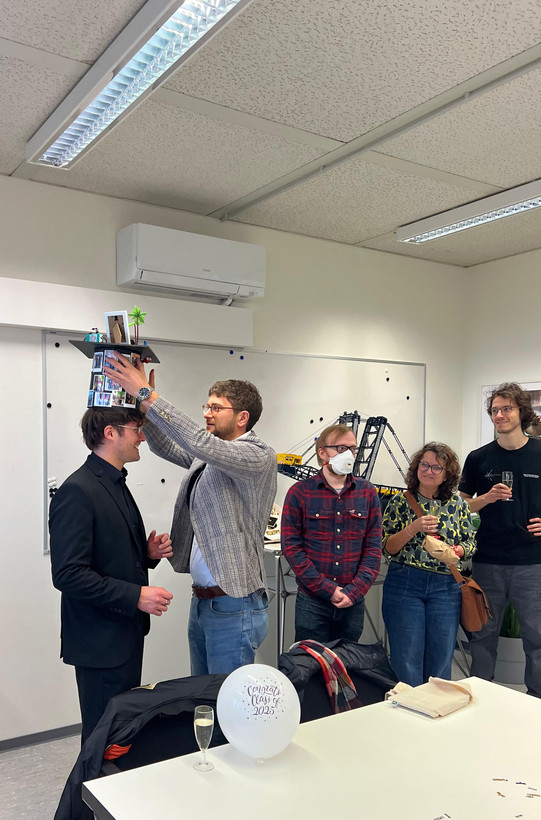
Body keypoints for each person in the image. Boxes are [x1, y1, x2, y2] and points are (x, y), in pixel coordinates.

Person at [102, 354, 277, 676]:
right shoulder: (211, 457)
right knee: (202, 693)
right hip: (205, 602)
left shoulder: (256, 455)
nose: (207, 414)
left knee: (226, 701)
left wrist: (147, 395)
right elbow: (170, 447)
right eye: (206, 406)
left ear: (242, 418)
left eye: (216, 408)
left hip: (234, 603)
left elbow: (198, 443)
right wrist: (145, 410)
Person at [49, 408, 174, 743]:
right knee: (102, 737)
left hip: (123, 635)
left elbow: (106, 556)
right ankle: (88, 796)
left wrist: (147, 555)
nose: (143, 437)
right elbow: (68, 574)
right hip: (99, 641)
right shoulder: (78, 490)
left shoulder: (115, 482)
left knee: (118, 733)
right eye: (137, 429)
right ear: (110, 433)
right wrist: (136, 596)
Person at [459, 382, 541, 697]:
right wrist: (487, 498)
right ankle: (481, 696)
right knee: (482, 634)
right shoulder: (479, 458)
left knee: (537, 638)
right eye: (494, 410)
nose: (499, 415)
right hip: (488, 561)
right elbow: (460, 505)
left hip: (532, 563)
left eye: (506, 408)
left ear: (521, 411)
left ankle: (536, 701)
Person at [382, 442, 475, 686]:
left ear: (447, 474)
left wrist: (457, 550)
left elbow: (471, 543)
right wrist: (413, 528)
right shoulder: (400, 502)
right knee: (406, 656)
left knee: (442, 657)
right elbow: (388, 547)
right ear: (416, 468)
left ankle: (436, 711)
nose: (429, 471)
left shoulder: (458, 505)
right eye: (425, 464)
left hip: (446, 585)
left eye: (437, 467)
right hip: (405, 582)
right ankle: (408, 713)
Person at [281, 424, 382, 643]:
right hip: (313, 601)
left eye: (353, 449)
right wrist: (327, 589)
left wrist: (354, 591)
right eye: (340, 448)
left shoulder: (367, 492)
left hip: (352, 601)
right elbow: (291, 547)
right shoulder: (299, 492)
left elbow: (373, 547)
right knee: (311, 668)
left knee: (346, 668)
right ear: (322, 452)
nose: (348, 455)